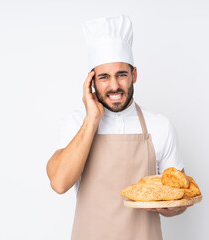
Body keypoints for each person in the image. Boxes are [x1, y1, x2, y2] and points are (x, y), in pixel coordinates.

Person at [46, 15, 193, 240]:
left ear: (134, 75)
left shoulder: (160, 126)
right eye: (104, 77)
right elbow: (59, 182)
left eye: (121, 75)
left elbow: (182, 195)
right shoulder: (76, 123)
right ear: (91, 81)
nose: (114, 85)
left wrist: (170, 207)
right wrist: (92, 119)